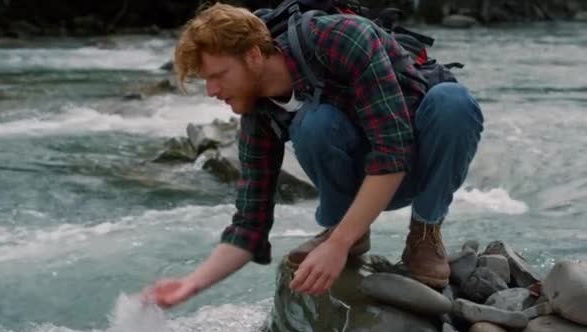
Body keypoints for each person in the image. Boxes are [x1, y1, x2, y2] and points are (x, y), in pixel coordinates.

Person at [144, 3, 483, 308]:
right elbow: (250, 225)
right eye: (207, 80)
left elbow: (392, 152)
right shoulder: (259, 117)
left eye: (218, 76)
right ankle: (348, 231)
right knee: (314, 123)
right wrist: (191, 284)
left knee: (452, 101)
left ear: (253, 56)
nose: (212, 91)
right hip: (363, 180)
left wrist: (336, 245)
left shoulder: (341, 38)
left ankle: (424, 233)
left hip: (415, 162)